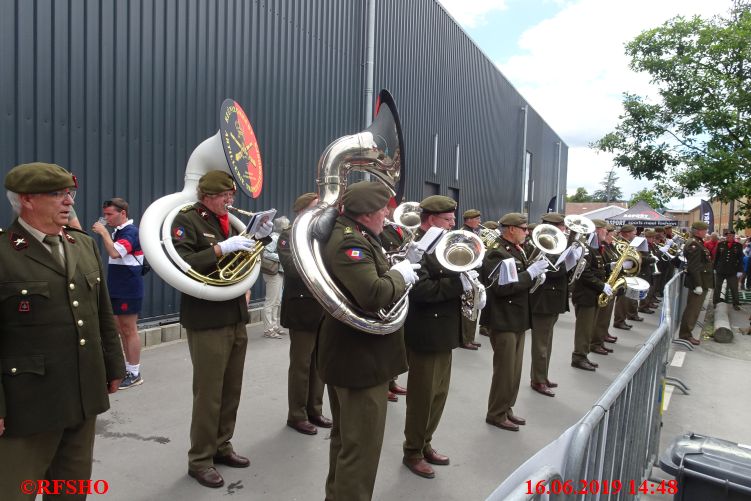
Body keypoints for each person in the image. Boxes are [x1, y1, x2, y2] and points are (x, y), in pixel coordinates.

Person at [0, 162, 125, 500]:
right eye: (56, 194)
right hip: (27, 403)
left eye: (68, 193)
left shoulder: (81, 245)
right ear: (26, 200)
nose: (68, 200)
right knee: (14, 490)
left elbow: (102, 312)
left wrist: (114, 366)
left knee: (70, 491)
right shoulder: (4, 252)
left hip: (82, 394)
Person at [171, 170, 273, 489]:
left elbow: (245, 255)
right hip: (206, 317)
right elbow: (182, 261)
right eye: (224, 197)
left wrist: (261, 235)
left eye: (231, 196)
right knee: (209, 392)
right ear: (207, 196)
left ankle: (221, 445)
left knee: (231, 388)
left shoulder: (225, 220)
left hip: (233, 312)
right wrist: (220, 249)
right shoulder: (187, 220)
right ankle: (200, 458)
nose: (230, 201)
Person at [317, 181, 417, 501]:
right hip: (359, 361)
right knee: (360, 452)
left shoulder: (356, 235)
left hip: (356, 357)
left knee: (347, 443)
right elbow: (373, 294)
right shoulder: (350, 244)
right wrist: (402, 273)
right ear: (369, 214)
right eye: (383, 211)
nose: (387, 216)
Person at [402, 195, 472, 479]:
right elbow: (421, 290)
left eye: (453, 218)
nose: (453, 224)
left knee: (438, 395)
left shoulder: (443, 244)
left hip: (443, 331)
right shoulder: (417, 248)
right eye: (447, 219)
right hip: (426, 333)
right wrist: (459, 282)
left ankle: (426, 442)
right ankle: (412, 451)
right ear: (430, 220)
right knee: (423, 396)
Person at [481, 213, 548, 431]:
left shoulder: (516, 250)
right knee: (505, 372)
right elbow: (503, 287)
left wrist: (536, 276)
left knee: (515, 371)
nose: (527, 232)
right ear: (511, 229)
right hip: (503, 320)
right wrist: (529, 274)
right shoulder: (496, 253)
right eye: (524, 228)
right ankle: (496, 413)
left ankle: (507, 408)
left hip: (517, 318)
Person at [277, 193, 332, 435]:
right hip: (301, 306)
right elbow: (290, 268)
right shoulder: (288, 236)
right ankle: (296, 415)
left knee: (319, 362)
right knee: (301, 364)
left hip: (323, 307)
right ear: (300, 211)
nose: (318, 213)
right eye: (314, 208)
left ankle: (315, 410)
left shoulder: (320, 236)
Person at [91, 197, 146, 389]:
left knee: (129, 330)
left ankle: (134, 372)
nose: (106, 218)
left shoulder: (131, 232)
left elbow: (115, 253)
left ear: (123, 213)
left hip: (128, 289)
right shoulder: (120, 231)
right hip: (118, 288)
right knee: (120, 329)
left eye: (109, 214)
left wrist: (104, 233)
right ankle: (127, 369)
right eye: (105, 214)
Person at [528, 212, 569, 397]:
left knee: (547, 342)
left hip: (553, 299)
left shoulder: (556, 243)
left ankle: (542, 375)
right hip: (543, 300)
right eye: (561, 227)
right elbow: (547, 271)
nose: (564, 230)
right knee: (541, 344)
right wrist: (567, 264)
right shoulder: (539, 244)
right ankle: (538, 379)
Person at [570, 219, 612, 371]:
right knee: (584, 330)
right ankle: (579, 357)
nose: (606, 232)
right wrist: (602, 286)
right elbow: (585, 274)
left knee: (589, 329)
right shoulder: (585, 249)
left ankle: (584, 355)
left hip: (592, 295)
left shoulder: (595, 248)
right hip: (585, 295)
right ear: (596, 230)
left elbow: (597, 270)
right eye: (603, 229)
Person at [380, 196, 409, 402]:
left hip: (399, 282)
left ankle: (392, 379)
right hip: (388, 280)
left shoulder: (399, 229)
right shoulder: (383, 229)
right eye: (393, 206)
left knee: (397, 340)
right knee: (386, 341)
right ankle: (383, 383)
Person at [679, 221, 713, 345]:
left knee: (694, 309)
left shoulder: (697, 242)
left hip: (701, 280)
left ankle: (687, 332)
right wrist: (698, 284)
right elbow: (694, 267)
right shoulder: (694, 244)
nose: (706, 232)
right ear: (698, 231)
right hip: (698, 282)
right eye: (705, 230)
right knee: (692, 309)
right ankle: (685, 334)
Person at [591, 224, 619, 355]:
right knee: (600, 318)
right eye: (608, 232)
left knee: (605, 316)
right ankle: (596, 343)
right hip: (599, 286)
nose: (612, 235)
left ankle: (600, 339)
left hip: (607, 284)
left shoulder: (607, 246)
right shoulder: (594, 248)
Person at [261, 216, 289, 338]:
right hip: (273, 272)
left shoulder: (279, 237)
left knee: (277, 301)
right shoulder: (274, 238)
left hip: (278, 272)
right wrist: (281, 257)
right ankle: (268, 329)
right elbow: (266, 253)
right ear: (282, 227)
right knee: (271, 301)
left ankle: (274, 325)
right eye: (287, 226)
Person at [460, 208, 483, 350]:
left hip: (474, 272)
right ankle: (465, 339)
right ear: (469, 220)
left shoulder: (473, 232)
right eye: (477, 219)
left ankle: (470, 337)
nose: (480, 221)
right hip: (467, 272)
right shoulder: (464, 233)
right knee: (468, 306)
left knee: (474, 305)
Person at [613, 224, 639, 329]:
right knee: (622, 300)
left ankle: (621, 320)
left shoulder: (628, 243)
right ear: (628, 233)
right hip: (622, 274)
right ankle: (619, 321)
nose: (635, 234)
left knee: (625, 299)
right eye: (634, 232)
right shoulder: (621, 243)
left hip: (627, 273)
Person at [713, 230, 744, 310]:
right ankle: (715, 302)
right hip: (721, 270)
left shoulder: (738, 246)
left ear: (733, 236)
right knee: (717, 287)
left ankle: (736, 304)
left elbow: (740, 259)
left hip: (732, 271)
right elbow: (716, 257)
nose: (728, 237)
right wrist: (714, 268)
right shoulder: (720, 244)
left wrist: (740, 271)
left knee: (734, 288)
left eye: (730, 235)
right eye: (727, 235)